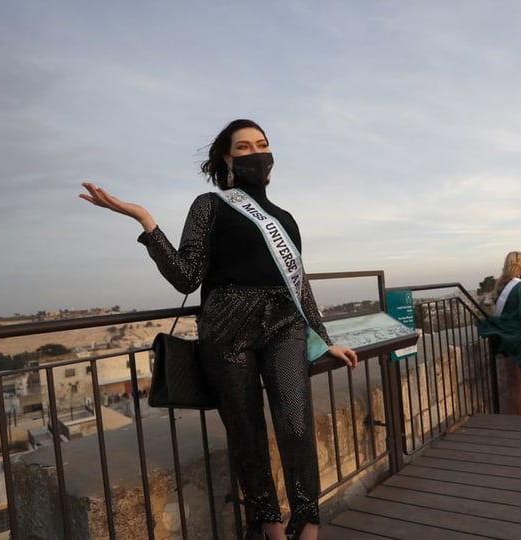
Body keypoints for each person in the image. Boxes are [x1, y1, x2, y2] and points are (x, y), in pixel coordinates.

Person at [80, 119, 358, 540]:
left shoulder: (285, 219)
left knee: (295, 426)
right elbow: (186, 277)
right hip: (227, 333)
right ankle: (271, 528)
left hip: (284, 325)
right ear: (228, 158)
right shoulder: (209, 205)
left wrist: (326, 341)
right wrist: (145, 220)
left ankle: (309, 527)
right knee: (246, 433)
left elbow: (300, 286)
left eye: (262, 145)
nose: (255, 153)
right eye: (244, 147)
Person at [477, 251, 521, 416]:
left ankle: (514, 418)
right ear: (519, 265)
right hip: (520, 338)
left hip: (505, 337)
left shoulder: (502, 285)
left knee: (513, 383)